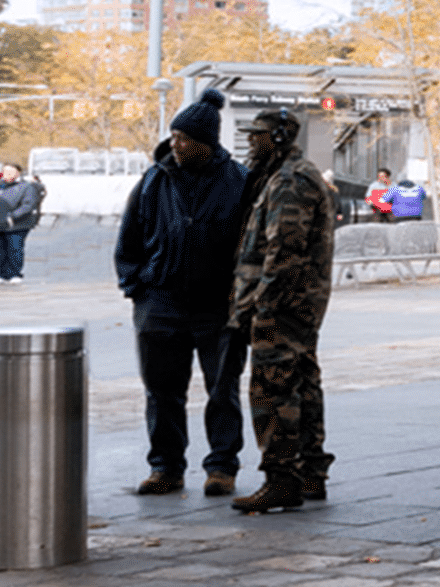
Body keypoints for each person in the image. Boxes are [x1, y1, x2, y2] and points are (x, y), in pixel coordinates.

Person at [115, 91, 250, 497]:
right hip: (160, 302)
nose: (176, 144)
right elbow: (130, 237)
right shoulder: (154, 179)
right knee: (161, 391)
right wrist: (135, 285)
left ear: (206, 143)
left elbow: (250, 243)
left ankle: (222, 467)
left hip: (218, 306)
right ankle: (166, 467)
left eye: (185, 138)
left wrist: (240, 295)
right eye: (174, 136)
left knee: (222, 389)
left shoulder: (239, 181)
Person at [229, 107, 335, 514]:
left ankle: (281, 478)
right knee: (303, 382)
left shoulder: (290, 180)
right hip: (299, 303)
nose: (250, 142)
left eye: (257, 135)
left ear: (276, 138)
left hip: (284, 305)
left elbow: (283, 249)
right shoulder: (290, 175)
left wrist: (262, 305)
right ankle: (309, 471)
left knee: (272, 387)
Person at [0, 162, 45, 283]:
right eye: (5, 171)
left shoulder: (26, 187)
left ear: (18, 173)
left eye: (11, 171)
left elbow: (28, 205)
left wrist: (13, 216)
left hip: (17, 225)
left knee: (15, 248)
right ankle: (3, 275)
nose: (8, 174)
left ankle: (15, 274)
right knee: (0, 249)